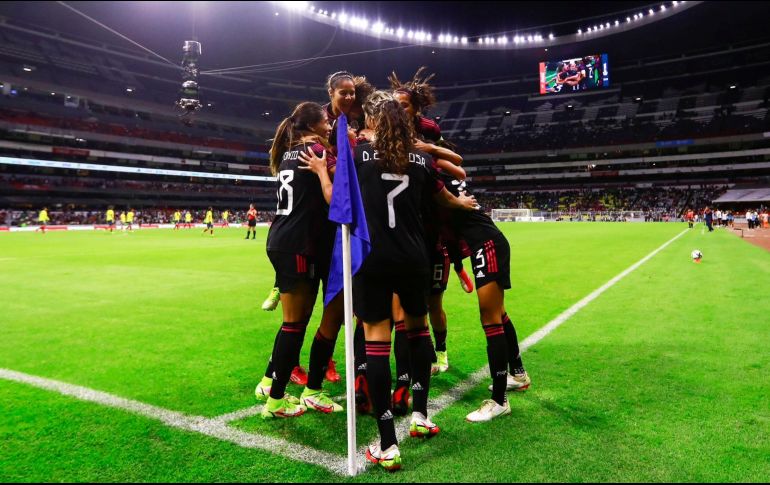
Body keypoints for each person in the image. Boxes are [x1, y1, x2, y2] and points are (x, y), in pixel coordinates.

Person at [355, 91, 477, 471]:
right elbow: (443, 197)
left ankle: (388, 443)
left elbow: (336, 202)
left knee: (376, 339)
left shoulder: (357, 156)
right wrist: (462, 204)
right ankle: (421, 417)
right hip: (414, 257)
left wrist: (327, 172)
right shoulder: (421, 160)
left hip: (373, 256)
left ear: (373, 120)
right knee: (417, 332)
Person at [257, 101, 342, 419]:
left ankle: (271, 386)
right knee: (295, 325)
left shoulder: (288, 152)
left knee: (293, 323)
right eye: (325, 120)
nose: (330, 124)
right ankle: (276, 401)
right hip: (299, 245)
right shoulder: (316, 151)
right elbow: (339, 191)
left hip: (283, 240)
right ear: (312, 125)